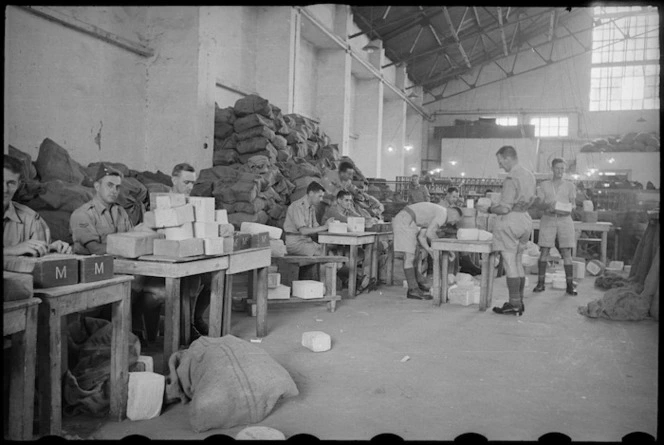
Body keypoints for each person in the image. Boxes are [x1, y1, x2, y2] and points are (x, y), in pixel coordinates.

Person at [477, 145, 536, 316]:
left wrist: (488, 209)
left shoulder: (511, 178)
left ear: (508, 158)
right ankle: (520, 301)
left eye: (500, 161)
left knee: (510, 263)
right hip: (525, 219)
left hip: (511, 222)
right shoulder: (529, 175)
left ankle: (514, 304)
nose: (500, 165)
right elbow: (532, 199)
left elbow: (504, 209)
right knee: (518, 262)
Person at [392, 202, 462, 300]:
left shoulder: (435, 214)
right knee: (409, 257)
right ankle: (413, 290)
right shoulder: (443, 213)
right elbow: (430, 233)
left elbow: (422, 236)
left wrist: (430, 250)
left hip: (409, 221)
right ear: (454, 214)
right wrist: (446, 249)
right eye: (455, 220)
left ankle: (416, 285)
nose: (453, 223)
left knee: (415, 255)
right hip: (405, 221)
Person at [4, 154, 72, 255]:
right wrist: (11, 250)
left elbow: (41, 263)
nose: (5, 189)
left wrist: (52, 250)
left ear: (18, 184)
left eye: (11, 183)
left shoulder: (31, 220)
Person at [532, 158, 577, 296]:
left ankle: (570, 285)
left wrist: (568, 208)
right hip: (548, 218)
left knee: (566, 252)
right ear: (552, 169)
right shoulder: (543, 185)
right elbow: (538, 204)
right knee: (544, 250)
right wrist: (548, 206)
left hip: (565, 220)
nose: (560, 171)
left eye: (562, 169)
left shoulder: (570, 186)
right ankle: (540, 283)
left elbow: (574, 204)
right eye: (557, 168)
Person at [70, 163, 133, 254]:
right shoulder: (82, 214)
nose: (114, 191)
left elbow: (133, 239)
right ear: (97, 187)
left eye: (117, 187)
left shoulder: (121, 212)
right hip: (96, 265)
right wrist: (128, 248)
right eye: (109, 185)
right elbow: (95, 249)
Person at [284, 181, 334, 256]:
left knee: (330, 251)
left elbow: (316, 227)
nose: (321, 200)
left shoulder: (312, 207)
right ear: (311, 193)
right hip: (296, 244)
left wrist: (330, 227)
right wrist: (324, 227)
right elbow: (303, 231)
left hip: (307, 241)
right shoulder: (297, 206)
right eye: (319, 196)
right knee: (323, 254)